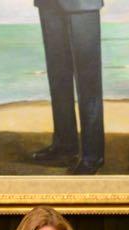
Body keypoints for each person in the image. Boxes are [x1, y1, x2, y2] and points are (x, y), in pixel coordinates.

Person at [30, 0, 105, 174]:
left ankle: (93, 156)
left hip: (82, 5)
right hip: (48, 4)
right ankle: (64, 146)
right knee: (58, 76)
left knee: (88, 81)